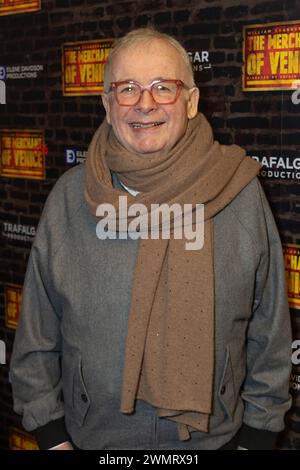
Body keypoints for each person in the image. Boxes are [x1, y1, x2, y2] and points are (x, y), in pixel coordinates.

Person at [10, 27, 292, 450]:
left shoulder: (238, 192)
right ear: (107, 105)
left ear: (191, 101)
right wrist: (52, 438)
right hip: (99, 445)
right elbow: (36, 333)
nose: (145, 103)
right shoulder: (71, 198)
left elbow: (270, 332)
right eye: (128, 89)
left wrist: (257, 436)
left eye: (164, 87)